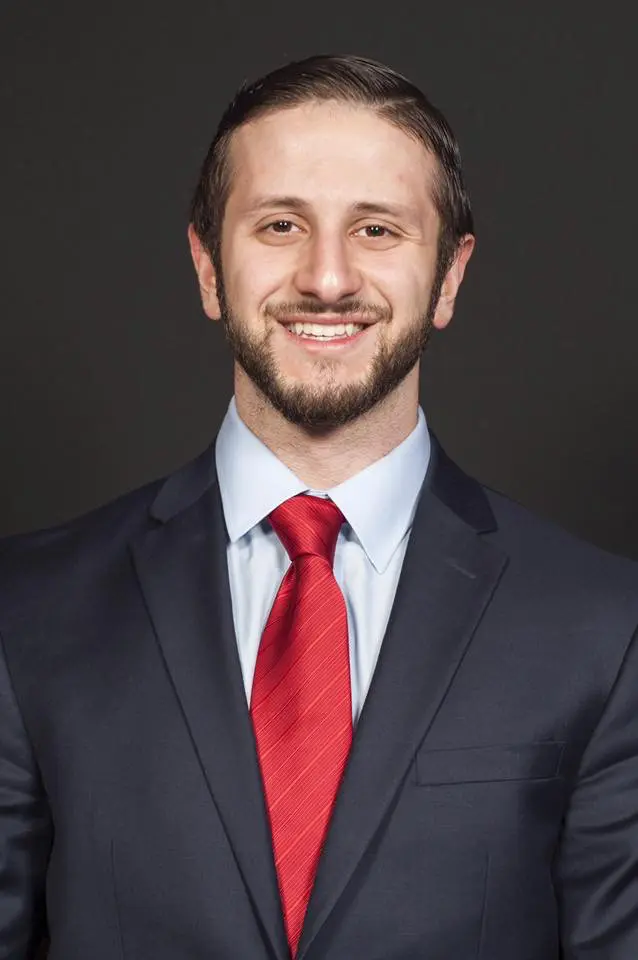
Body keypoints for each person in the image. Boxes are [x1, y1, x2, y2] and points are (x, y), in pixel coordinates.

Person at [1, 53, 638, 960]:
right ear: (208, 267)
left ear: (450, 277)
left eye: (377, 229)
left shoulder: (607, 630)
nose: (328, 278)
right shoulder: (23, 612)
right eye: (280, 224)